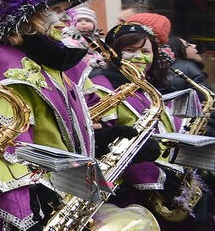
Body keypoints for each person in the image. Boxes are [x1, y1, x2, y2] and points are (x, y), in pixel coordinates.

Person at [0, 0, 101, 230]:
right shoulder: (0, 63)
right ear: (27, 19)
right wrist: (27, 214)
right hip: (23, 212)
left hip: (64, 200)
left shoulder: (51, 62)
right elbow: (2, 155)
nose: (65, 19)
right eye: (54, 10)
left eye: (64, 11)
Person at [87, 23, 203, 230]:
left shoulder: (148, 86)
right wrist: (155, 177)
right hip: (128, 194)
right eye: (130, 50)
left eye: (145, 51)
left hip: (168, 185)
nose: (139, 57)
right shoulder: (101, 86)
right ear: (113, 54)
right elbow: (103, 144)